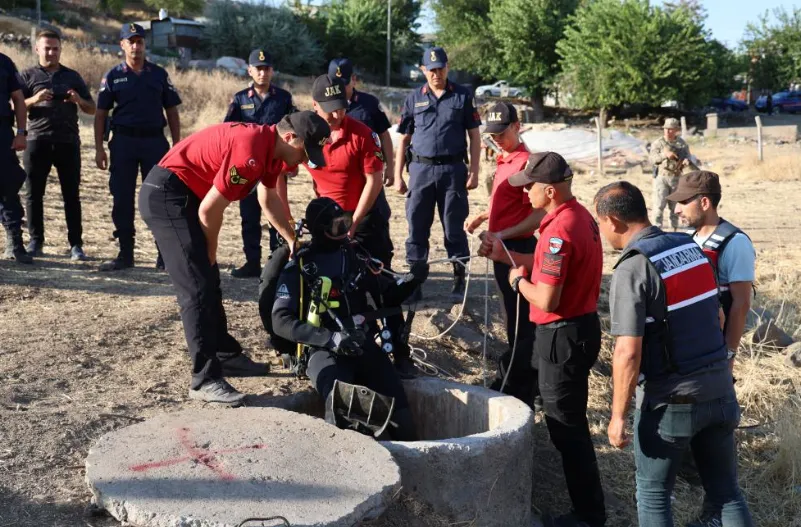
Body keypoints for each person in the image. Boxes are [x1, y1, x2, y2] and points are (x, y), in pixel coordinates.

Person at [138, 111, 329, 405]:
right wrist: (210, 251)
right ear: (290, 137)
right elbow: (209, 212)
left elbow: (269, 198)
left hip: (187, 194)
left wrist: (291, 237)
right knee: (197, 283)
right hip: (166, 195)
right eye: (305, 152)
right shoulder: (251, 150)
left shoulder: (269, 149)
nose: (304, 162)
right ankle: (204, 379)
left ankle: (226, 354)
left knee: (207, 278)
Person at [594, 180, 753, 527]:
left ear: (614, 222)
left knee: (653, 494)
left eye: (601, 225)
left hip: (673, 400)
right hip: (720, 389)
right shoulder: (689, 246)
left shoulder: (633, 267)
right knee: (726, 492)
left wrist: (618, 415)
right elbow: (720, 313)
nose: (604, 235)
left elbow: (628, 351)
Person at [479, 152, 606, 527]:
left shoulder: (557, 233)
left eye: (529, 187)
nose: (525, 194)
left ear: (549, 190)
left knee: (567, 429)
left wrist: (519, 281)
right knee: (564, 418)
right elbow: (551, 265)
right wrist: (506, 255)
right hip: (579, 328)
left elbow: (546, 297)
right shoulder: (578, 216)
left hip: (560, 335)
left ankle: (587, 515)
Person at [271, 196, 427, 440]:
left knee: (399, 407)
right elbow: (280, 320)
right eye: (337, 226)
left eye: (346, 223)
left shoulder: (353, 257)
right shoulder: (300, 266)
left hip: (360, 343)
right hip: (323, 350)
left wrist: (412, 281)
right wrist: (330, 338)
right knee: (342, 407)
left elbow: (386, 295)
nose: (344, 230)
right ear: (321, 230)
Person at [464, 102, 542, 406]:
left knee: (523, 326)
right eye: (492, 133)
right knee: (513, 321)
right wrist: (485, 216)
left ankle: (517, 389)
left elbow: (538, 214)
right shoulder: (505, 158)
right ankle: (520, 386)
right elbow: (509, 202)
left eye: (502, 132)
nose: (496, 138)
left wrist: (501, 235)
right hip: (502, 249)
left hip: (517, 250)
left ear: (517, 125)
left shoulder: (527, 163)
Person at [394, 46, 482, 297]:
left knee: (454, 226)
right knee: (417, 226)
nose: (436, 74)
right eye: (431, 69)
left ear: (447, 67)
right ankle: (416, 279)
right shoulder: (414, 98)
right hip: (420, 171)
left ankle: (459, 275)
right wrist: (399, 175)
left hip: (453, 171)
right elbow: (403, 139)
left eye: (440, 68)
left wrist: (474, 171)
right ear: (423, 70)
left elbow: (474, 136)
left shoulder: (462, 96)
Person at [95, 23, 181, 272]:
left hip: (155, 143)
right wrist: (100, 148)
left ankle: (164, 255)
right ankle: (125, 254)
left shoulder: (159, 74)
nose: (136, 46)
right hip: (123, 143)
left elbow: (172, 111)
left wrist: (177, 145)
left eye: (139, 41)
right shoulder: (113, 76)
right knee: (122, 198)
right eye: (130, 41)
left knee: (158, 198)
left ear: (145, 44)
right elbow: (101, 114)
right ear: (122, 45)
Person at [20, 29, 95, 261]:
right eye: (47, 48)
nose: (51, 52)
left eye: (55, 48)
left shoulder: (72, 76)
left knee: (71, 195)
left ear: (61, 49)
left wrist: (78, 100)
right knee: (34, 195)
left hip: (68, 142)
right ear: (37, 49)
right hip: (37, 140)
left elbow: (92, 108)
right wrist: (35, 98)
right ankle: (36, 242)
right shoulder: (27, 76)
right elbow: (16, 106)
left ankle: (76, 245)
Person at [670, 171, 755, 367]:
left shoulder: (735, 243)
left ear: (705, 203)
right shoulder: (688, 236)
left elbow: (741, 304)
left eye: (683, 202)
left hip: (713, 351)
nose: (676, 210)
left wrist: (729, 355)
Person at [225, 48, 296, 278]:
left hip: (274, 167)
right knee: (249, 215)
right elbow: (228, 131)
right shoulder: (240, 99)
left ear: (272, 71)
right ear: (250, 71)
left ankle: (278, 261)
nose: (262, 73)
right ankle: (252, 262)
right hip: (247, 167)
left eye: (266, 69)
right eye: (258, 69)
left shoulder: (283, 98)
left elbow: (293, 130)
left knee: (276, 212)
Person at [327, 57, 396, 190]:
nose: (339, 89)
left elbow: (384, 135)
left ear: (353, 79)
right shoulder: (322, 106)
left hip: (367, 173)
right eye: (335, 85)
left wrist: (390, 168)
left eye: (343, 84)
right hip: (336, 175)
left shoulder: (369, 104)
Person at [0, 51, 30, 264]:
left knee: (8, 186)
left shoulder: (4, 62)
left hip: (1, 132)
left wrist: (21, 132)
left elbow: (18, 98)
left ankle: (15, 243)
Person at [648, 118, 698, 230]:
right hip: (662, 177)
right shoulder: (658, 143)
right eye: (666, 129)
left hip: (676, 178)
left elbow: (687, 157)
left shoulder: (681, 144)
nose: (668, 131)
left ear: (676, 130)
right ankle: (656, 230)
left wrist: (686, 161)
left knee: (675, 207)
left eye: (671, 129)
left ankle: (674, 229)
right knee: (658, 206)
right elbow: (652, 159)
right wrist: (664, 155)